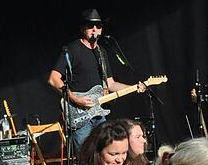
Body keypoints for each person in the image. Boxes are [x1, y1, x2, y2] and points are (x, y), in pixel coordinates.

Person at [47, 9, 145, 151]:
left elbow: (111, 84)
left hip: (98, 113)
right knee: (85, 156)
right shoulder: (73, 49)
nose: (95, 29)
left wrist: (134, 87)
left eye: (98, 26)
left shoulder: (101, 52)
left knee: (104, 152)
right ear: (82, 28)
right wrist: (74, 98)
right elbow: (53, 79)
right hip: (79, 114)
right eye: (90, 26)